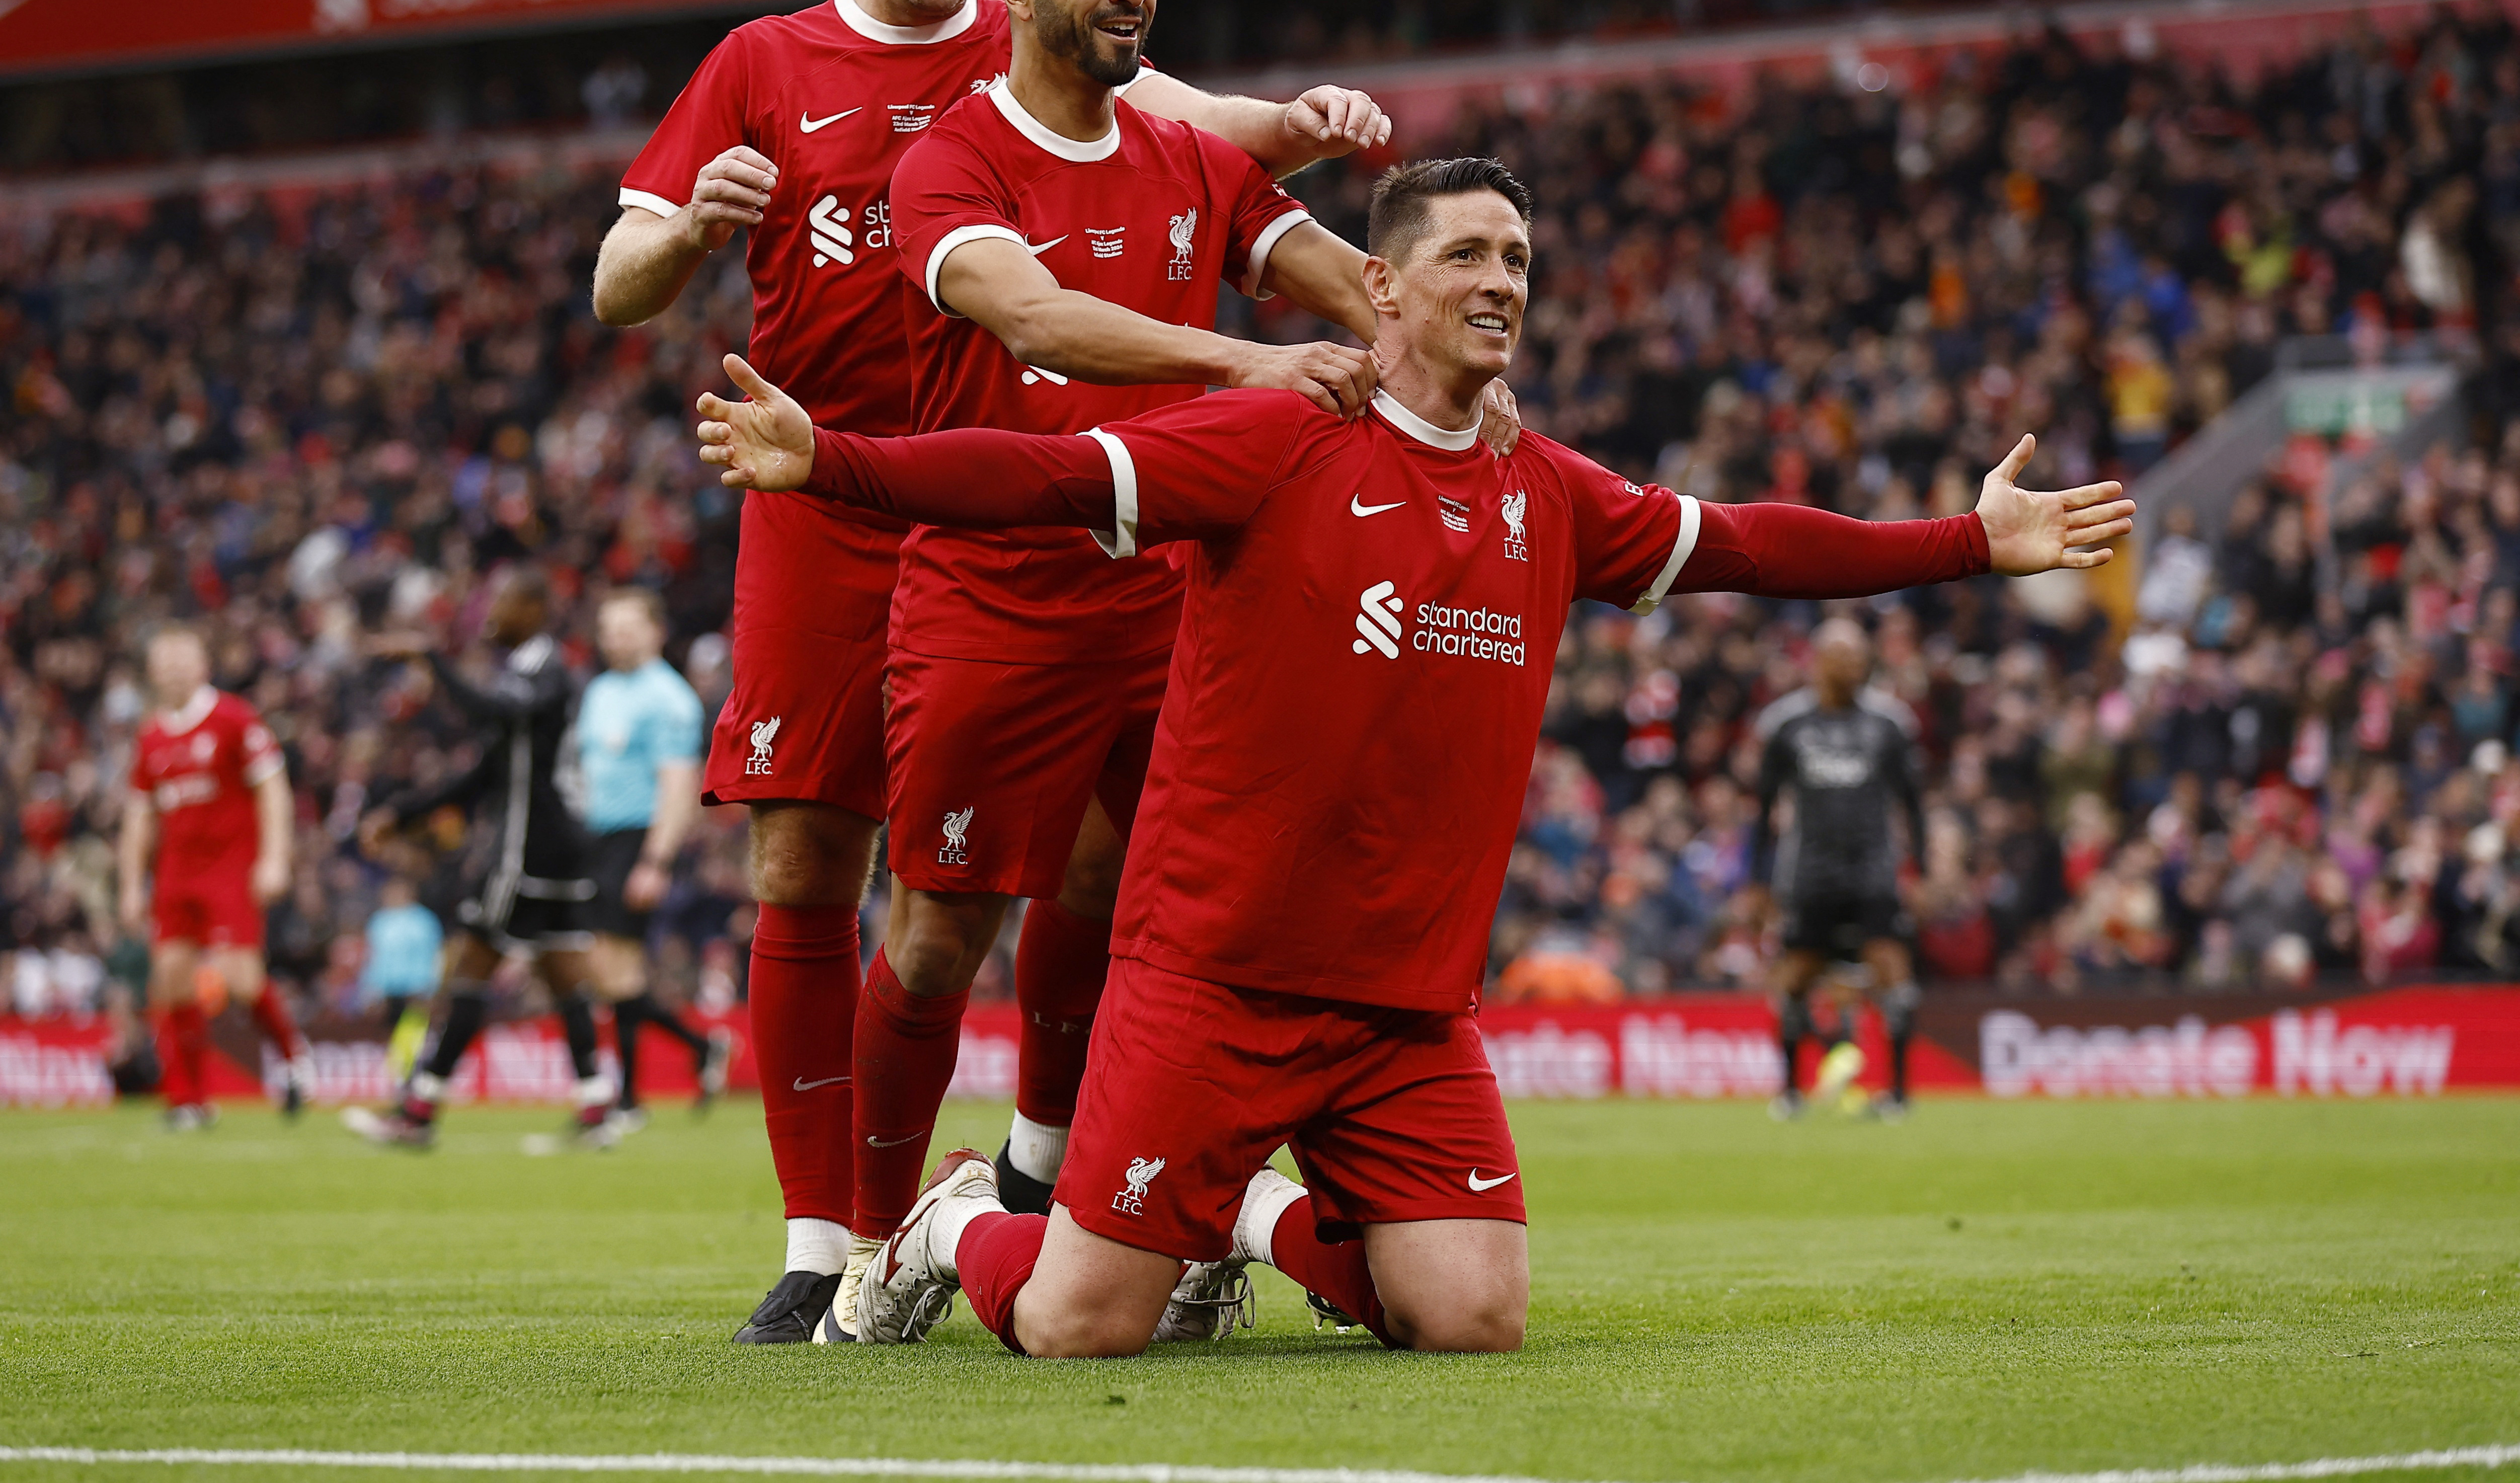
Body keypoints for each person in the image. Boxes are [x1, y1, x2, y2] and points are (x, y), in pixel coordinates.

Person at [692, 155, 2136, 1355]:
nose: (1501, 280)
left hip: (1402, 1011)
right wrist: (835, 460)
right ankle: (956, 1219)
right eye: (1466, 255)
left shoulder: (1547, 488)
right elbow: (1045, 473)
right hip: (1211, 985)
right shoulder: (1274, 441)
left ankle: (1243, 1213)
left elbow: (1751, 544)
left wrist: (1968, 540)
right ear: (1381, 285)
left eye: (1517, 258)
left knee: (1471, 1318)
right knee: (1081, 1324)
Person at [589, 0, 1396, 1345]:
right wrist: (685, 231)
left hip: (1028, 499)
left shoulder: (1029, 29)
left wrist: (1304, 128)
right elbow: (618, 277)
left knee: (1091, 865)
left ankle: (1036, 1169)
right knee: (808, 865)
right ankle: (828, 1240)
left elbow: (1200, 133)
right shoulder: (764, 62)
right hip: (829, 493)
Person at [842, 0, 1512, 1325]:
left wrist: (1453, 346)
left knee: (1135, 902)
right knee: (938, 938)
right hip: (993, 596)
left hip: (1171, 599)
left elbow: (1354, 283)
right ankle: (869, 1236)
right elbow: (1034, 314)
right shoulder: (951, 162)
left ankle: (1056, 1179)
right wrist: (1245, 362)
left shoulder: (1192, 161)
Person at [344, 569, 614, 1149]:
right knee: (563, 972)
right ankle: (597, 1104)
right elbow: (484, 775)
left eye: (504, 602)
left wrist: (430, 659)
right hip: (557, 849)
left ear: (535, 609)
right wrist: (404, 812)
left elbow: (489, 711)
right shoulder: (523, 674)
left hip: (528, 852)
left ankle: (419, 1111)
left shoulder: (547, 670)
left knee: (470, 966)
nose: (491, 613)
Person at [118, 625, 313, 1127]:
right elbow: (139, 817)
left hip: (230, 868)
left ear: (202, 665)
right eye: (165, 663)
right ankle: (189, 1100)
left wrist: (275, 857)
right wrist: (131, 885)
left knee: (242, 979)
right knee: (170, 980)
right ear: (152, 673)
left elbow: (273, 788)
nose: (173, 671)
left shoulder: (234, 718)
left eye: (182, 660)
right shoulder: (151, 736)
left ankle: (293, 1059)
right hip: (176, 873)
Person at [1753, 617, 1928, 1120]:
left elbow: (1913, 804)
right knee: (1794, 979)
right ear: (1818, 661)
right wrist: (1757, 881)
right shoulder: (1786, 725)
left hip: (1874, 871)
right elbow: (1763, 809)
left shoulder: (1890, 724)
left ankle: (1897, 1094)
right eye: (1842, 657)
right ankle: (1790, 1092)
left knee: (1894, 976)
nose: (1852, 666)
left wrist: (1921, 870)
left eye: (1858, 657)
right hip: (1809, 874)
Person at [576, 586, 727, 1131]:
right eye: (608, 628)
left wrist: (656, 860)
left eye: (627, 627)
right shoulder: (599, 691)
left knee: (616, 968)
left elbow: (678, 781)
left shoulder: (669, 698)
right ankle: (696, 1050)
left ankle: (628, 1098)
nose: (615, 638)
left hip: (638, 839)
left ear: (655, 631)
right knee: (612, 971)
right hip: (598, 840)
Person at [358, 876, 442, 1085]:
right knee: (392, 1032)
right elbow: (373, 956)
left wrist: (432, 986)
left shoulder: (424, 921)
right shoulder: (380, 921)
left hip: (417, 987)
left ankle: (406, 1075)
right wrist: (371, 987)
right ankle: (399, 1076)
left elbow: (435, 955)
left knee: (412, 1031)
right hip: (388, 989)